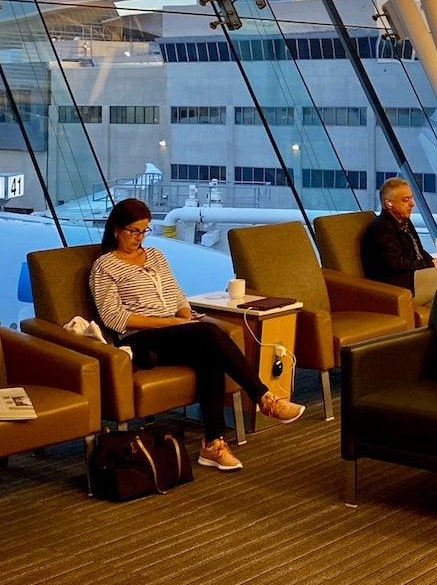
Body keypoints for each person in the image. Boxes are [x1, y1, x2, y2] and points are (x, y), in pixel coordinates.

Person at [90, 198, 304, 473]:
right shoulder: (105, 266)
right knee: (210, 333)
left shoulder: (154, 255)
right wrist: (169, 322)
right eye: (134, 231)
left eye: (144, 231)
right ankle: (263, 397)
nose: (139, 238)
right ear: (116, 229)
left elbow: (177, 294)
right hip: (138, 338)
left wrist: (183, 315)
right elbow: (114, 318)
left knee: (209, 355)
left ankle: (214, 444)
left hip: (174, 331)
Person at [361, 177, 437, 307]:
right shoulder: (381, 228)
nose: (412, 204)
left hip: (413, 277)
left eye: (411, 198)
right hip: (399, 285)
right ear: (389, 203)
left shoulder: (404, 222)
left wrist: (435, 263)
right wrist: (429, 264)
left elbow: (419, 251)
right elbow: (394, 264)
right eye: (406, 200)